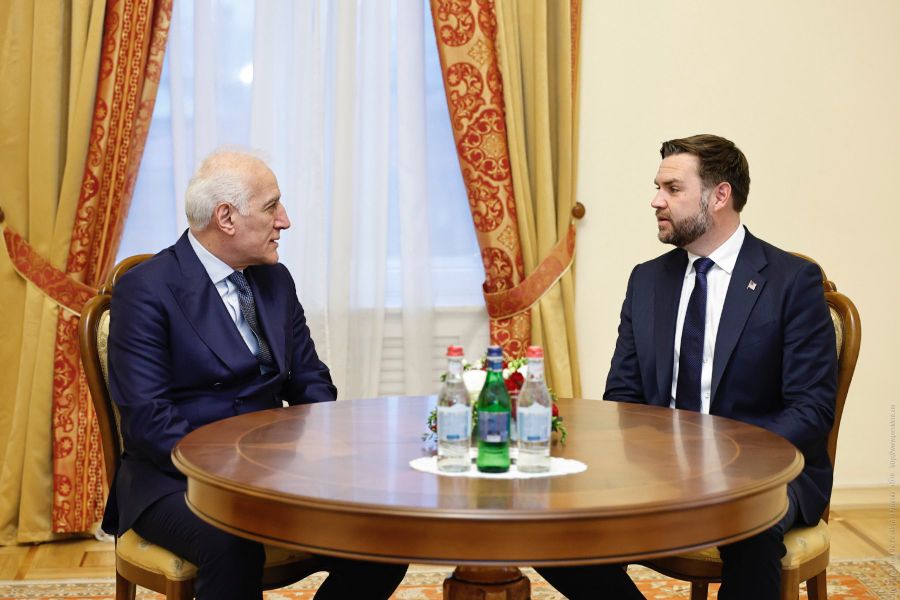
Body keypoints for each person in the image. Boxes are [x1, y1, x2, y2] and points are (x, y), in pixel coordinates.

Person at [538, 135, 837, 599]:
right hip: (661, 470)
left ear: (720, 196)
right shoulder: (647, 280)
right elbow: (623, 397)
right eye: (658, 188)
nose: (656, 201)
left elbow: (811, 409)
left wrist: (728, 463)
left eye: (673, 189)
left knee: (750, 524)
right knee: (549, 525)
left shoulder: (790, 281)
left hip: (764, 474)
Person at [101, 150, 408, 599]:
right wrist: (237, 477)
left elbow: (311, 380)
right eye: (271, 206)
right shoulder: (147, 289)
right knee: (232, 543)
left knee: (385, 534)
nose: (285, 221)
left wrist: (321, 452)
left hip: (274, 471)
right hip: (175, 479)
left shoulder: (275, 280)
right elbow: (149, 421)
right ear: (226, 217)